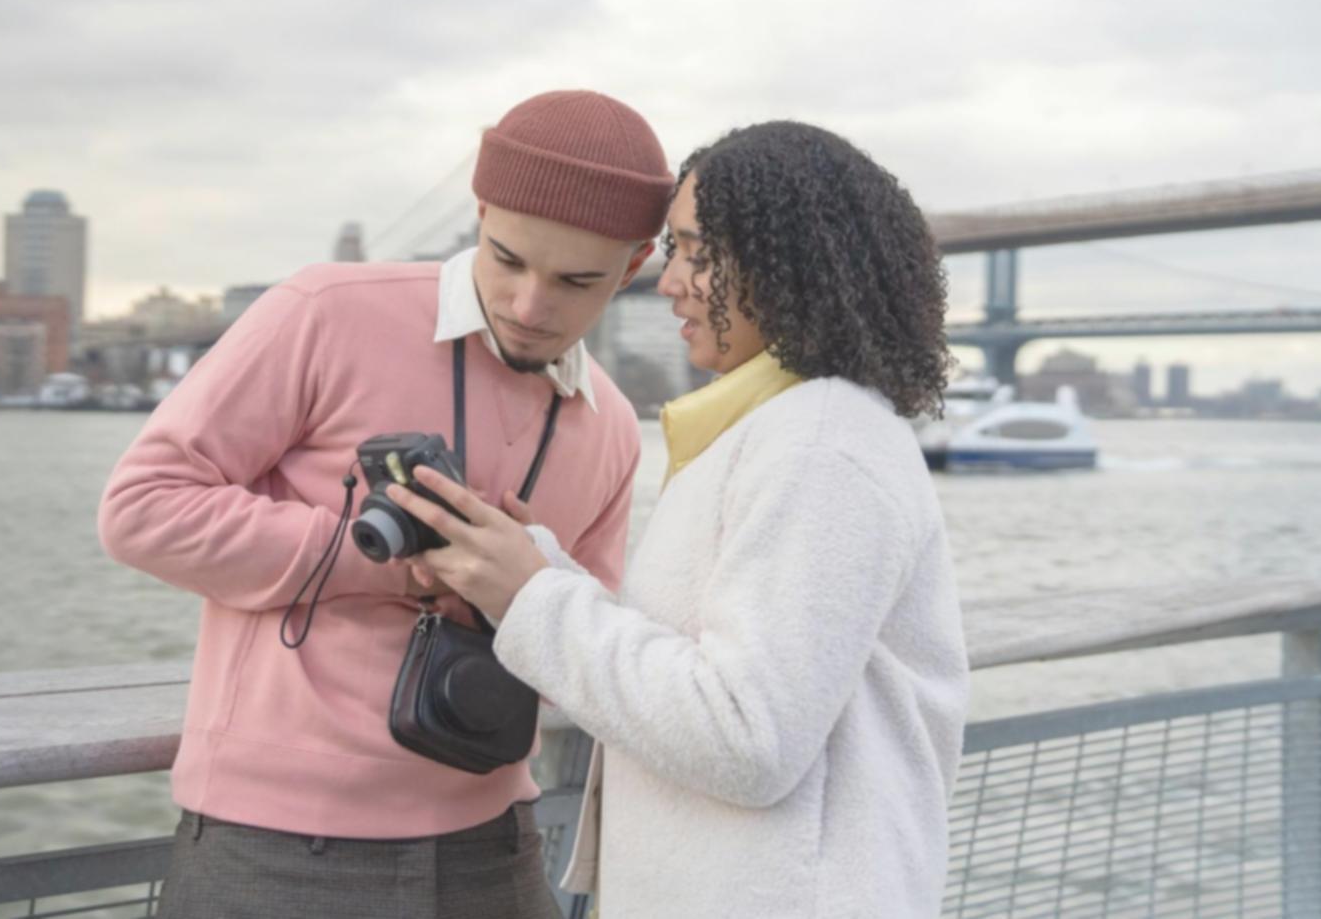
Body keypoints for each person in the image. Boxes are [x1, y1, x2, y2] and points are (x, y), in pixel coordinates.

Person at [96, 90, 675, 919]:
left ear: (633, 266)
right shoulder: (325, 311)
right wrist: (391, 566)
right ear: (478, 211)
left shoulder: (613, 423)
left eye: (576, 280)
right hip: (276, 847)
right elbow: (142, 508)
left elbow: (580, 661)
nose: (529, 305)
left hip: (498, 846)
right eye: (506, 258)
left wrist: (519, 589)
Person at [387, 121, 971, 917]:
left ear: (783, 264)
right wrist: (535, 568)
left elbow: (747, 736)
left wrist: (531, 597)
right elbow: (715, 667)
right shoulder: (782, 429)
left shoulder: (820, 444)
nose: (668, 282)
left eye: (698, 253)